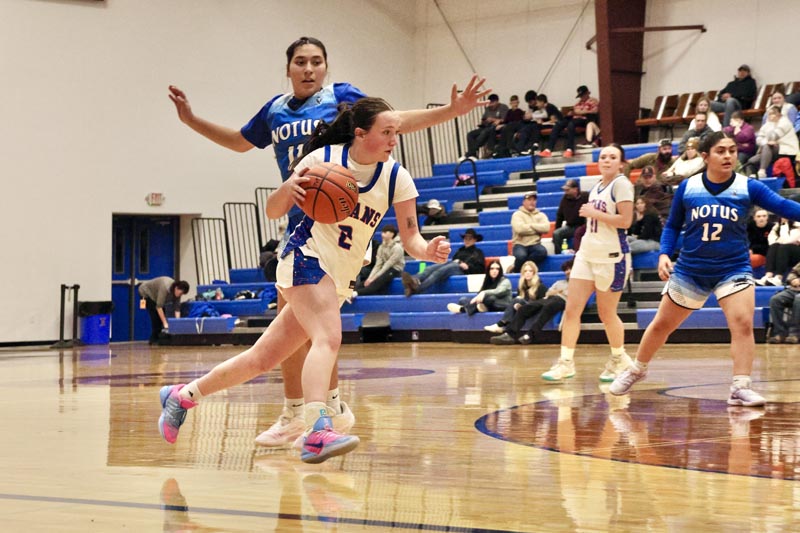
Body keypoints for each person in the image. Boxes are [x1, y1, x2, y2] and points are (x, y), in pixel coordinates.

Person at [168, 36, 488, 448]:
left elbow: (396, 127)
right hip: (304, 238)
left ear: (325, 68)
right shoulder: (302, 138)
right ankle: (317, 425)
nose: (308, 68)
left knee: (268, 355)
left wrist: (428, 249)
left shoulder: (361, 125)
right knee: (327, 336)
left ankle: (182, 397)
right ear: (288, 68)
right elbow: (241, 147)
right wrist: (192, 120)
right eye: (300, 61)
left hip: (339, 262)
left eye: (316, 61)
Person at [610, 131, 800, 406]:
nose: (728, 156)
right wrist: (664, 254)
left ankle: (740, 386)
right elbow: (673, 225)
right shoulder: (689, 187)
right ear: (704, 156)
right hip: (691, 269)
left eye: (732, 150)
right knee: (662, 324)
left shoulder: (749, 186)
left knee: (743, 323)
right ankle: (637, 369)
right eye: (721, 151)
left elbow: (783, 206)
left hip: (732, 267)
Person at [540, 144, 634, 382]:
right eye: (603, 156)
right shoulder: (596, 186)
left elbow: (625, 221)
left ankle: (618, 358)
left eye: (613, 157)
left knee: (607, 313)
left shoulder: (622, 184)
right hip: (586, 255)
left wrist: (595, 213)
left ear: (621, 163)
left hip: (611, 258)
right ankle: (566, 363)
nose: (607, 160)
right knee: (572, 310)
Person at [489, 258, 573, 345]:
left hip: (563, 300)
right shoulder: (559, 282)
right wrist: (557, 292)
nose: (568, 271)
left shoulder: (578, 284)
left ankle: (530, 335)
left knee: (548, 306)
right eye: (566, 270)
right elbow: (548, 293)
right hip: (549, 298)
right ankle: (509, 334)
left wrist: (559, 292)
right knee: (524, 309)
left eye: (570, 269)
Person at [401, 228, 485, 296]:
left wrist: (468, 267)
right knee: (430, 268)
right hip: (454, 266)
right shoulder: (460, 250)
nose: (467, 240)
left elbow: (481, 269)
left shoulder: (478, 252)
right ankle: (414, 279)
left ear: (475, 240)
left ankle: (418, 289)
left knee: (439, 271)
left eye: (469, 238)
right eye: (466, 238)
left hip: (462, 270)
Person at [483, 260, 547, 332]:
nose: (528, 273)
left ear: (534, 273)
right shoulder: (521, 286)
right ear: (522, 273)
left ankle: (501, 324)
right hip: (524, 310)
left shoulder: (540, 286)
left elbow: (543, 303)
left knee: (517, 299)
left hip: (535, 310)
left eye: (530, 271)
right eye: (525, 271)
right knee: (516, 300)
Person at [539, 85, 599, 158]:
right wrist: (575, 112)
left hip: (585, 119)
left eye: (583, 95)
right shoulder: (578, 102)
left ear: (588, 93)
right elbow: (574, 110)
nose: (582, 97)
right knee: (558, 124)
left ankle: (569, 149)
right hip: (574, 118)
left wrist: (580, 112)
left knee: (571, 124)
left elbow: (594, 111)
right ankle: (548, 149)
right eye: (580, 96)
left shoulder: (593, 101)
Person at [743, 106, 799, 178]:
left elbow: (773, 136)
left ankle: (762, 171)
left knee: (767, 146)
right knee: (751, 161)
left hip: (786, 150)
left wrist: (767, 141)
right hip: (770, 150)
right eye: (769, 114)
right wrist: (766, 141)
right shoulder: (767, 125)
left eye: (772, 114)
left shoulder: (785, 122)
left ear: (779, 114)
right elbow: (758, 139)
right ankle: (751, 180)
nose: (769, 116)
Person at [351, 225, 404, 299]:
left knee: (377, 281)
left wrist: (373, 278)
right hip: (384, 268)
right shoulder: (381, 247)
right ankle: (350, 292)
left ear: (392, 234)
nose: (382, 234)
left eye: (385, 232)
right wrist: (369, 278)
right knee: (366, 281)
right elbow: (378, 264)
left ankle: (357, 293)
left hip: (395, 269)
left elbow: (388, 264)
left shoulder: (397, 248)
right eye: (382, 232)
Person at [447, 260, 512, 315]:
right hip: (486, 303)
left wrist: (484, 292)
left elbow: (498, 291)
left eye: (497, 269)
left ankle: (463, 309)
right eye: (492, 268)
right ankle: (481, 308)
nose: (495, 271)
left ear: (500, 271)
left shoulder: (505, 281)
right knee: (463, 299)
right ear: (488, 270)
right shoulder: (487, 281)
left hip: (502, 304)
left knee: (490, 298)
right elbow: (480, 296)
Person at [138, 277, 190, 345]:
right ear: (176, 288)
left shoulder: (177, 293)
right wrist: (165, 323)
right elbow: (159, 307)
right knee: (156, 316)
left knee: (162, 316)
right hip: (145, 293)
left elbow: (177, 308)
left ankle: (158, 337)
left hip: (156, 297)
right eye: (181, 293)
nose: (180, 295)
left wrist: (178, 323)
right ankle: (153, 339)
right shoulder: (165, 287)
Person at [511, 191, 550, 271]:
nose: (532, 202)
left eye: (534, 200)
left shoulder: (541, 215)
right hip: (520, 244)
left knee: (542, 252)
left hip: (535, 244)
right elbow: (520, 229)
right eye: (529, 200)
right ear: (524, 202)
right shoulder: (517, 214)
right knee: (521, 256)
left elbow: (546, 228)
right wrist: (537, 228)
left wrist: (530, 225)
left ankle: (523, 268)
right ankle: (516, 271)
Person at [756, 217, 800, 286]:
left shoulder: (797, 224)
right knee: (774, 246)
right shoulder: (776, 226)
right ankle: (768, 275)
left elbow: (788, 240)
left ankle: (779, 278)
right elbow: (771, 241)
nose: (783, 217)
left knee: (783, 247)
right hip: (785, 251)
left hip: (796, 253)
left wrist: (784, 225)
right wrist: (782, 226)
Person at [464, 94, 508, 159]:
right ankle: (473, 154)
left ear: (497, 101)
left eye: (492, 103)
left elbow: (505, 119)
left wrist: (493, 119)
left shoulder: (503, 107)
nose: (491, 105)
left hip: (496, 127)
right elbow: (483, 119)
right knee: (470, 134)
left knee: (485, 132)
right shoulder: (487, 109)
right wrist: (484, 122)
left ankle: (470, 152)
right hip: (485, 126)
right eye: (490, 103)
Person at [767, 260, 800, 344]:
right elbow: (793, 273)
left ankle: (795, 334)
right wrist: (793, 279)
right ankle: (780, 333)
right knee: (775, 299)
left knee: (798, 299)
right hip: (795, 289)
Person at [553, 179, 589, 254]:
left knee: (579, 232)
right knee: (556, 234)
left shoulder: (585, 196)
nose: (565, 192)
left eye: (568, 190)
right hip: (570, 226)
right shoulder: (564, 199)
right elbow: (560, 216)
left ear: (575, 189)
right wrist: (557, 228)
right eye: (565, 190)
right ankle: (559, 255)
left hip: (584, 225)